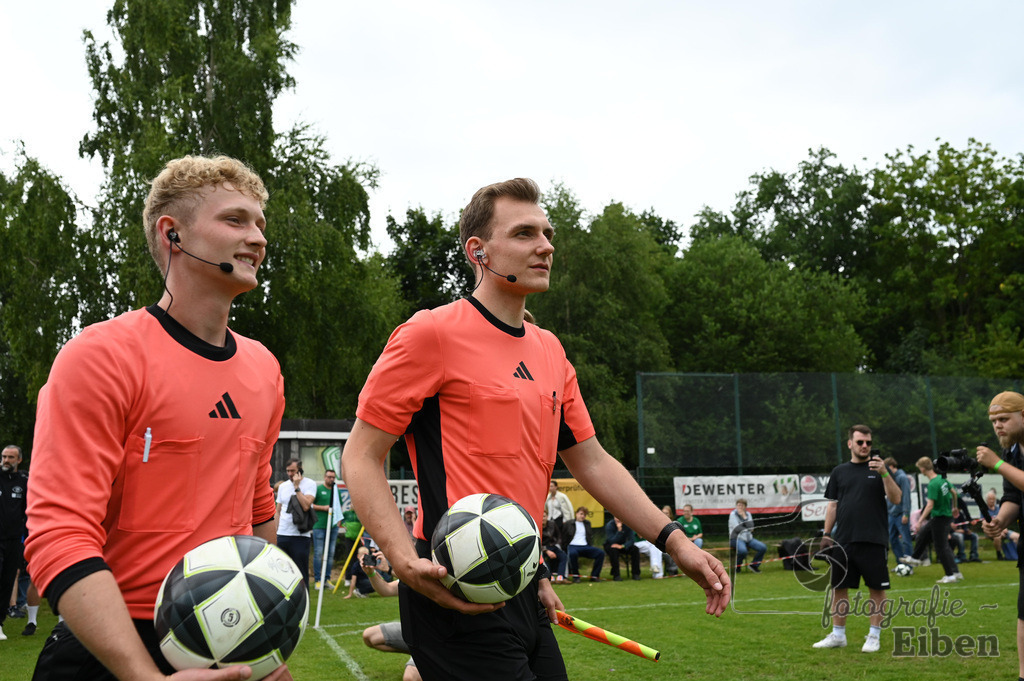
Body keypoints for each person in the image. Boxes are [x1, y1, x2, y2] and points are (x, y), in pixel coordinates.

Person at [341, 177, 729, 681]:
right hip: (452, 584)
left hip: (524, 584)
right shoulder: (429, 333)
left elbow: (593, 462)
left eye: (547, 234)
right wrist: (401, 559)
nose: (545, 246)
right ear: (478, 251)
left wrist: (675, 542)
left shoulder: (551, 350)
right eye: (525, 233)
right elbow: (360, 455)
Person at [24, 155, 290, 680]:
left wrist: (263, 634)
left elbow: (258, 507)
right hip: (109, 645)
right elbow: (59, 532)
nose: (258, 238)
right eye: (235, 220)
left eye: (260, 224)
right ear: (173, 234)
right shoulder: (101, 356)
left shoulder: (265, 369)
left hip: (228, 640)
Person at [814, 425, 902, 653]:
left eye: (868, 443)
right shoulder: (839, 471)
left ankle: (874, 636)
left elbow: (896, 498)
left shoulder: (880, 469)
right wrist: (826, 534)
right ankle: (838, 635)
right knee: (839, 588)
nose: (865, 446)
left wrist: (884, 473)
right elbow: (833, 505)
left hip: (874, 540)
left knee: (876, 590)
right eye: (860, 442)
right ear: (850, 443)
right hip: (843, 540)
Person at [975, 391, 1024, 681]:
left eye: (1004, 419)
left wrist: (995, 464)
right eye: (994, 421)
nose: (998, 426)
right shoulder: (1012, 453)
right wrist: (999, 521)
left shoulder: (1002, 459)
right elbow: (1013, 497)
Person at [358, 550, 422, 681]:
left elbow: (420, 580)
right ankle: (416, 654)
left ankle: (434, 661)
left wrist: (389, 569)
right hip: (414, 634)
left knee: (410, 678)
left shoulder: (432, 572)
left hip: (434, 639)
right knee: (370, 636)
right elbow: (386, 589)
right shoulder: (408, 577)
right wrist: (371, 573)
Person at [899, 457, 961, 584]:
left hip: (939, 517)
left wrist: (919, 521)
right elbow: (954, 493)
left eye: (919, 468)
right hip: (945, 516)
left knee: (941, 547)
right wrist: (954, 507)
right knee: (923, 534)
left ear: (922, 469)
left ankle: (950, 575)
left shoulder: (933, 484)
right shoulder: (942, 479)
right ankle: (915, 558)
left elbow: (930, 505)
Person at [0, 445, 28, 642]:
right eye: (4, 456)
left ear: (19, 460)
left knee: (7, 581)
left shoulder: (24, 481)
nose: (6, 460)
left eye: (11, 457)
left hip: (14, 540)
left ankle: (0, 623)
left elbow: (29, 510)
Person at [276, 458, 317, 587]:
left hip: (300, 535)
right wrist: (275, 532)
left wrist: (297, 487)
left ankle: (303, 596)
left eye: (292, 471)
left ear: (300, 470)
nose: (290, 473)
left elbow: (306, 506)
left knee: (300, 572)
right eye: (288, 471)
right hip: (282, 534)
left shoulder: (310, 484)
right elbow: (278, 511)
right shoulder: (282, 486)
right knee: (281, 572)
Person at [311, 469, 341, 590]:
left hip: (333, 526)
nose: (331, 479)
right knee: (318, 553)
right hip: (319, 525)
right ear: (325, 477)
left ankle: (326, 579)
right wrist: (324, 508)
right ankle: (318, 580)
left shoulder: (335, 490)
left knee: (330, 554)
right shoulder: (318, 489)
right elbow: (310, 505)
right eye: (329, 477)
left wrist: (338, 521)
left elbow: (339, 506)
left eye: (333, 477)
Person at [565, 507, 605, 583]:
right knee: (572, 554)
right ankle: (576, 576)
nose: (583, 516)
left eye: (584, 515)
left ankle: (594, 576)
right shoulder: (569, 523)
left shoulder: (587, 523)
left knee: (601, 553)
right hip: (573, 545)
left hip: (585, 546)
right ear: (576, 514)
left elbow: (590, 536)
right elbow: (564, 536)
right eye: (581, 514)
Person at [884, 457, 913, 560]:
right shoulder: (889, 478)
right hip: (891, 514)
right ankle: (900, 563)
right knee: (892, 539)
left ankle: (909, 564)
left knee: (906, 539)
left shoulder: (902, 477)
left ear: (891, 466)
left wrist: (906, 513)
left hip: (901, 514)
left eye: (887, 468)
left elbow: (906, 496)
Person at [729, 499, 766, 573]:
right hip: (736, 538)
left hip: (748, 539)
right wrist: (748, 529)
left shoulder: (748, 514)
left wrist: (744, 517)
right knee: (743, 551)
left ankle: (754, 565)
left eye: (742, 505)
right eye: (738, 505)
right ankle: (737, 567)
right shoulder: (733, 514)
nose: (740, 507)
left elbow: (751, 526)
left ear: (745, 507)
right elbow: (737, 528)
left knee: (762, 547)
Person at [603, 516, 639, 581]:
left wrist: (623, 546)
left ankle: (636, 574)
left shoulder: (627, 525)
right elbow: (611, 541)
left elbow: (632, 540)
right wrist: (619, 531)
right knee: (613, 551)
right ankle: (616, 575)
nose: (618, 519)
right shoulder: (609, 525)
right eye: (616, 517)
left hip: (622, 545)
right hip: (611, 545)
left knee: (635, 549)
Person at [951, 497, 980, 563]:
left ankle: (974, 555)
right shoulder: (949, 515)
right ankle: (961, 556)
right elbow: (948, 529)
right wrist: (956, 531)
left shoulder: (960, 514)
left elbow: (964, 525)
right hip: (953, 534)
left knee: (974, 536)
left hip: (962, 532)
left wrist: (966, 530)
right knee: (960, 536)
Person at [541, 512, 568, 582]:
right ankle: (549, 576)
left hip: (553, 545)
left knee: (563, 556)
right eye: (541, 516)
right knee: (544, 559)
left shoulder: (552, 524)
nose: (543, 518)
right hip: (542, 548)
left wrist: (557, 545)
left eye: (544, 516)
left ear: (547, 517)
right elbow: (536, 541)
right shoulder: (536, 526)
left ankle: (561, 576)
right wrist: (546, 550)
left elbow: (559, 536)